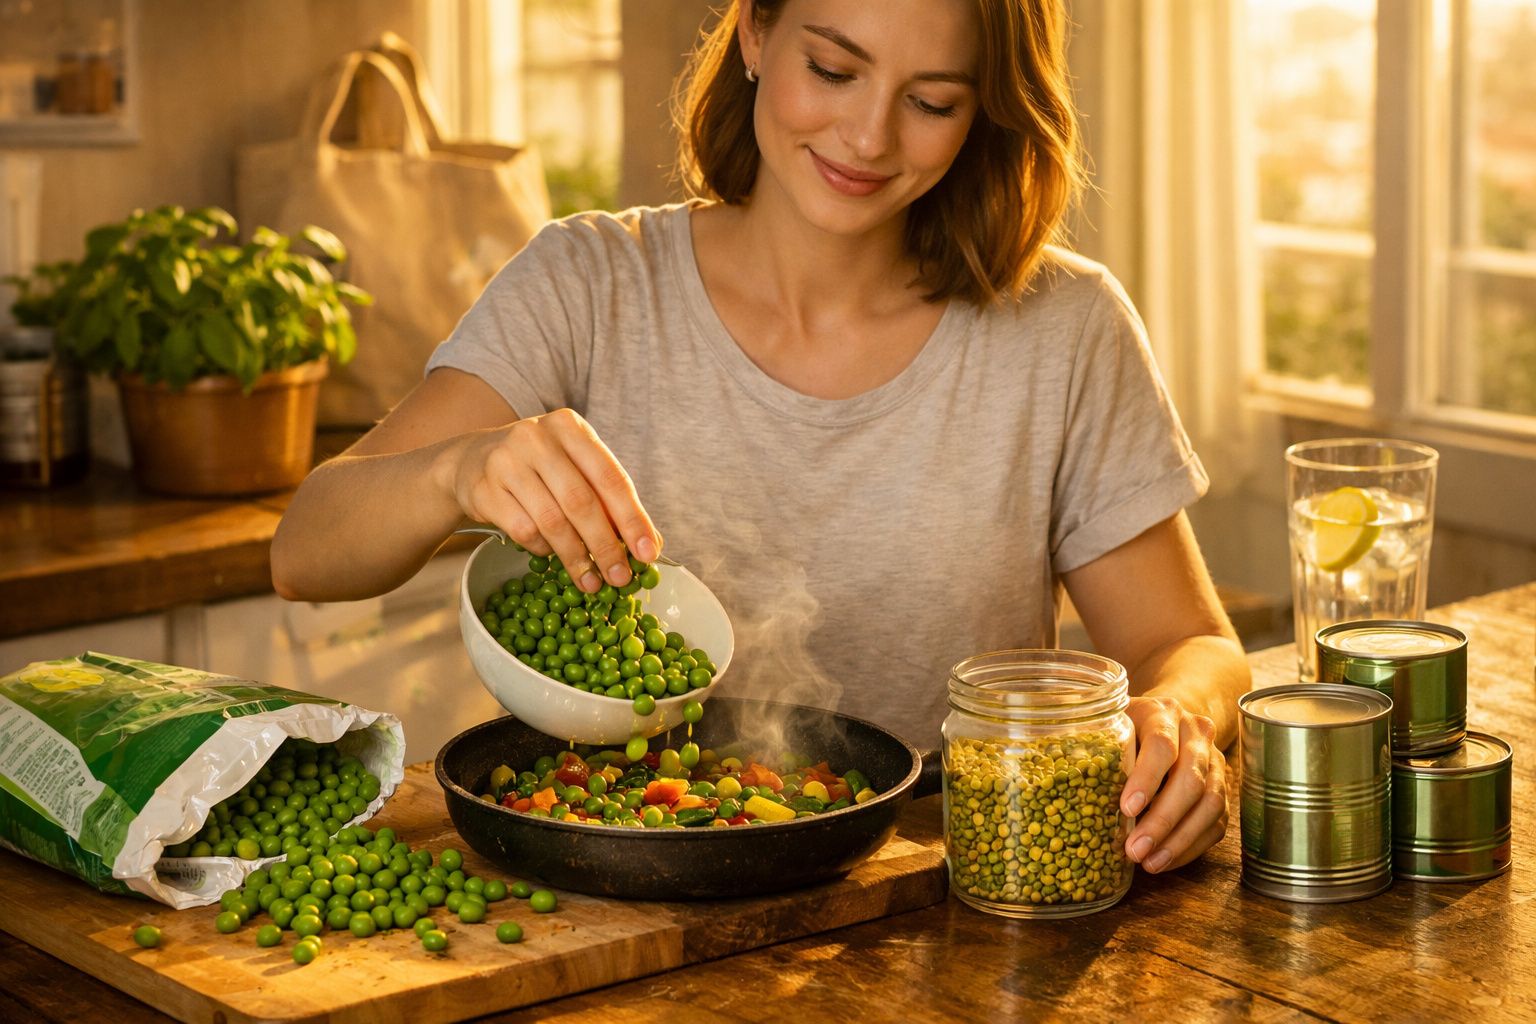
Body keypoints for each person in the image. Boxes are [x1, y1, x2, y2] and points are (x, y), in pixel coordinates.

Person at [272, 0, 1251, 876]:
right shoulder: (588, 285)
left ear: (987, 108)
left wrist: (1182, 719)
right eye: (832, 69)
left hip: (944, 899)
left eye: (934, 100)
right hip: (607, 883)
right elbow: (306, 549)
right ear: (753, 31)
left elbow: (1186, 643)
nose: (867, 135)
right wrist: (458, 467)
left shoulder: (1064, 327)